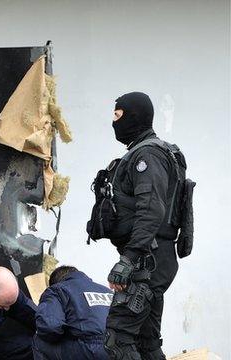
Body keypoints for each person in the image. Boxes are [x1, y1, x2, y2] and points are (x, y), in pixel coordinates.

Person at [87, 92, 188, 360]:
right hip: (154, 258)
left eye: (118, 115)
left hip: (146, 261)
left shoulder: (147, 155)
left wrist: (129, 259)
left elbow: (152, 209)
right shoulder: (155, 151)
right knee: (147, 342)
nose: (113, 122)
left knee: (118, 339)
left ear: (133, 116)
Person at [33, 266, 111, 360]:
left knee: (40, 341)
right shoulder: (107, 291)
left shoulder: (57, 289)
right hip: (121, 350)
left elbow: (50, 327)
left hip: (90, 350)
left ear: (57, 281)